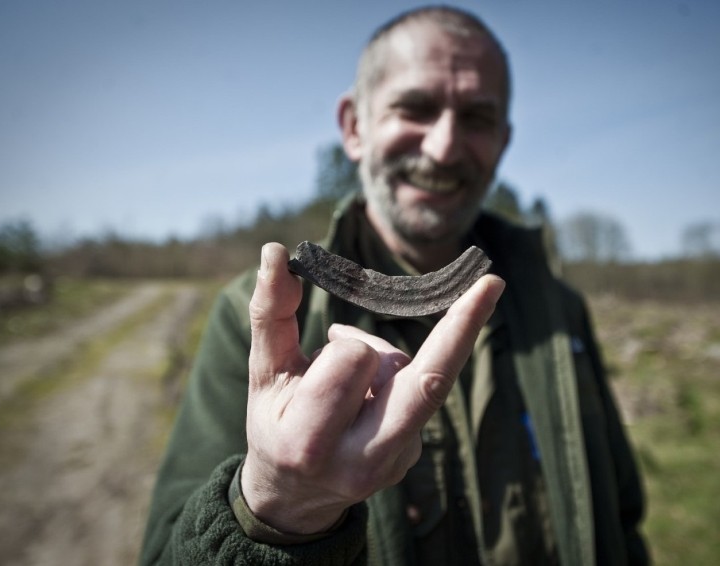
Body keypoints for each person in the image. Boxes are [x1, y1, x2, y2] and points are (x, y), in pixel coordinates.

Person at [139, 6, 648, 565]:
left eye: (476, 118)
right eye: (416, 109)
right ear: (355, 127)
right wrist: (279, 509)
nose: (444, 147)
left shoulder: (561, 312)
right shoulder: (257, 320)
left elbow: (621, 523)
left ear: (502, 142)